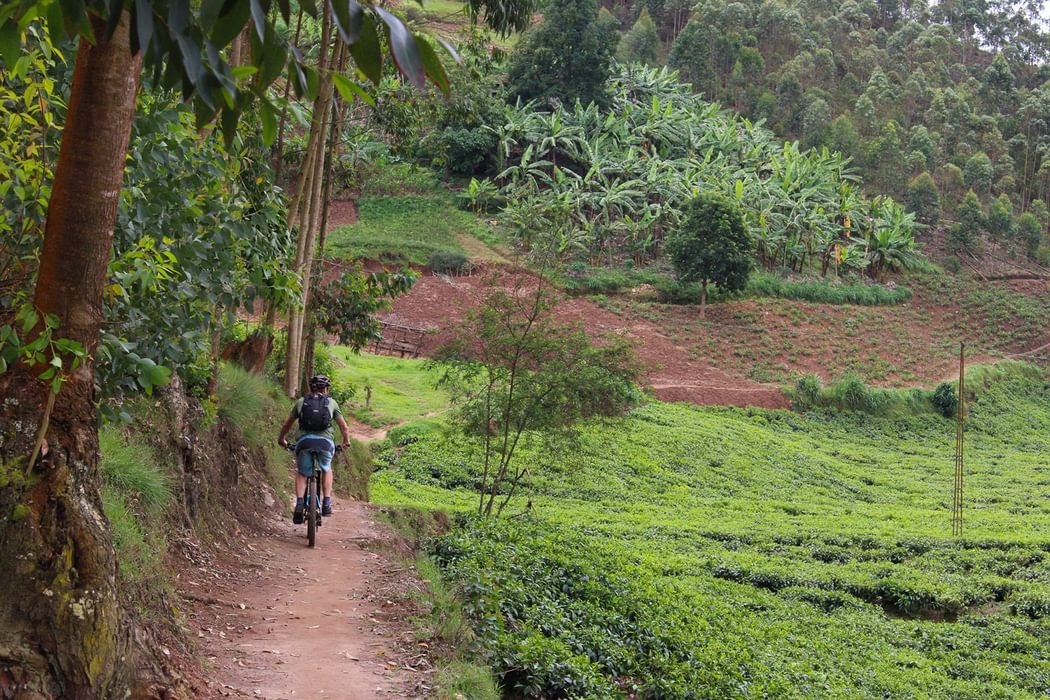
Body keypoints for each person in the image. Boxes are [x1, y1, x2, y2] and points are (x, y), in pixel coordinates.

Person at [277, 374, 351, 523]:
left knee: (302, 473)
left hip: (304, 443)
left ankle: (299, 503)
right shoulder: (332, 403)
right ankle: (326, 503)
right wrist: (346, 442)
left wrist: (282, 439)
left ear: (311, 387)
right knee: (326, 468)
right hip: (325, 444)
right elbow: (344, 427)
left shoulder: (301, 402)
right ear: (326, 389)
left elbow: (287, 425)